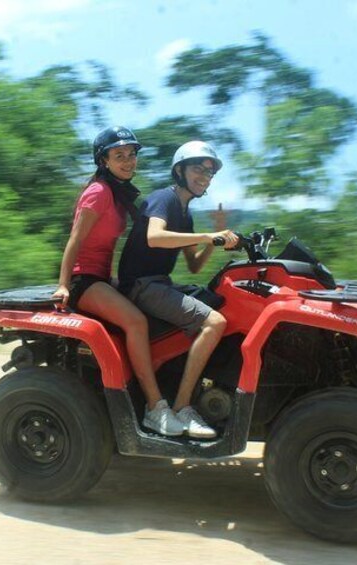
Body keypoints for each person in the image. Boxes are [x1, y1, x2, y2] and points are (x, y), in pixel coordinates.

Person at [52, 126, 185, 437]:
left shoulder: (117, 193)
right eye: (119, 156)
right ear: (104, 161)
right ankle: (155, 407)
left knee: (152, 307)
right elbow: (75, 239)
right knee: (136, 323)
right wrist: (64, 284)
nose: (128, 161)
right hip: (84, 279)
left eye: (132, 154)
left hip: (101, 277)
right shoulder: (99, 192)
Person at [117, 140, 240, 439]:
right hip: (142, 285)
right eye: (199, 169)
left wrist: (215, 240)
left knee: (223, 302)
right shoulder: (165, 199)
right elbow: (155, 237)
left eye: (210, 173)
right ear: (180, 170)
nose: (205, 177)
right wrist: (210, 235)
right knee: (215, 322)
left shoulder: (185, 214)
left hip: (160, 282)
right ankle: (182, 407)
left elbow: (195, 265)